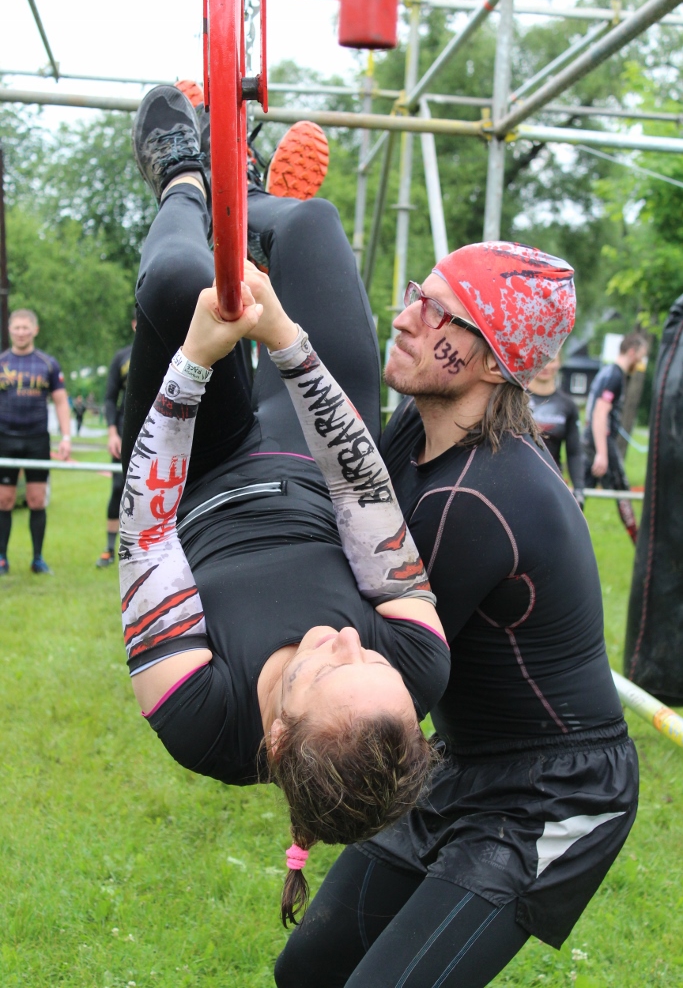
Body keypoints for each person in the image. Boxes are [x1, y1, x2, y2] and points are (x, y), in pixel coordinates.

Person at [120, 86, 450, 926]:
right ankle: (248, 193)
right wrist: (285, 345)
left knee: (189, 284)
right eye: (370, 658)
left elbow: (146, 538)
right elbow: (361, 488)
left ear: (275, 737)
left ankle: (185, 179)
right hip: (315, 457)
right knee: (311, 226)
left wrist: (197, 361)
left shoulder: (202, 721)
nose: (348, 637)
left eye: (328, 664)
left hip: (191, 474)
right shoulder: (415, 671)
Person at [275, 246, 639, 988]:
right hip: (462, 762)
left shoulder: (471, 498)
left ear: (496, 364)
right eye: (420, 293)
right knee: (306, 972)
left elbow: (374, 659)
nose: (406, 318)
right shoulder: (416, 429)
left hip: (553, 792)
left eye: (441, 313)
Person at [0, 308, 71, 575]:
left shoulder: (48, 364)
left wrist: (66, 437)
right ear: (9, 330)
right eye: (16, 327)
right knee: (4, 500)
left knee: (36, 500)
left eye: (25, 328)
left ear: (35, 330)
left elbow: (61, 402)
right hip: (5, 438)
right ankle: (2, 558)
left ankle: (38, 559)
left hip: (37, 440)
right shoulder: (2, 362)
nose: (21, 332)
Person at [583, 332, 648, 543]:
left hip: (591, 440)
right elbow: (600, 413)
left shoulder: (608, 372)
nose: (641, 362)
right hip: (600, 441)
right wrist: (602, 453)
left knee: (580, 493)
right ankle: (640, 545)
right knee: (623, 493)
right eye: (641, 356)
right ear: (632, 352)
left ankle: (563, 543)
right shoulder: (615, 376)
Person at [95, 315, 136, 567]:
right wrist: (112, 433)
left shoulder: (171, 350)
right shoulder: (122, 357)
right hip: (124, 432)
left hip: (160, 431)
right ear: (133, 324)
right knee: (118, 489)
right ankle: (110, 549)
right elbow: (110, 398)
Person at [528, 353, 584, 508]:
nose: (546, 365)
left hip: (552, 485)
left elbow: (574, 452)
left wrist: (579, 489)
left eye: (551, 360)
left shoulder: (568, 405)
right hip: (518, 481)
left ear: (559, 364)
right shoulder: (514, 398)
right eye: (541, 359)